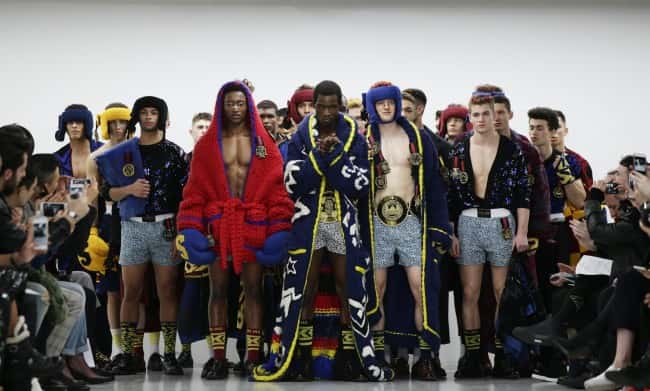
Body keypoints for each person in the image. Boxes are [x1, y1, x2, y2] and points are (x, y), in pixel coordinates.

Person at [253, 80, 393, 382]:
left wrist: (335, 158)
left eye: (333, 106)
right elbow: (291, 183)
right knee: (304, 288)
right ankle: (299, 358)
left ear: (340, 106)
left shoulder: (355, 134)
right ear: (314, 105)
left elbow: (361, 184)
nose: (328, 112)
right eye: (322, 106)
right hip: (308, 223)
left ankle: (348, 358)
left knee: (349, 289)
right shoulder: (300, 135)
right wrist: (319, 157)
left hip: (343, 223)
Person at [176, 80, 293, 379]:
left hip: (253, 223)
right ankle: (218, 358)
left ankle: (253, 356)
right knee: (217, 290)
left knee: (254, 289)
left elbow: (275, 188)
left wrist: (278, 227)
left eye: (241, 103)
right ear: (221, 106)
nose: (236, 109)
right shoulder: (206, 145)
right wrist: (191, 228)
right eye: (230, 103)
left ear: (248, 105)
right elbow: (195, 191)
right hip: (219, 225)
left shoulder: (263, 145)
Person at [360, 82, 451, 380]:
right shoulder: (364, 139)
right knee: (377, 290)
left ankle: (425, 358)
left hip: (412, 220)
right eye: (380, 102)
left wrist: (439, 228)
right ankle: (379, 359)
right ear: (372, 106)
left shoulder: (418, 137)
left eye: (390, 102)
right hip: (375, 224)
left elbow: (435, 185)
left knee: (421, 288)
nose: (386, 107)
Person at [101, 96, 188, 376]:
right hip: (132, 225)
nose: (149, 117)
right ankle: (127, 354)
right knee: (131, 292)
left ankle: (169, 355)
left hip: (166, 226)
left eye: (154, 112)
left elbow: (186, 196)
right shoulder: (123, 152)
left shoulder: (175, 153)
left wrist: (181, 232)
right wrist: (128, 190)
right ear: (137, 117)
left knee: (168, 292)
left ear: (162, 116)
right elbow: (107, 193)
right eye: (144, 112)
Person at [448, 89, 531, 378]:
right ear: (469, 117)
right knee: (469, 292)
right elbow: (450, 195)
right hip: (468, 221)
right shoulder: (459, 149)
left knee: (501, 292)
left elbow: (523, 193)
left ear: (495, 114)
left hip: (502, 222)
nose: (482, 119)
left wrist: (522, 233)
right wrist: (452, 232)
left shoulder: (512, 149)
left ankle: (503, 356)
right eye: (476, 114)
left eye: (487, 113)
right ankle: (472, 356)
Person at [176, 111, 213, 369]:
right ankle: (185, 350)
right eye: (199, 126)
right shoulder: (183, 161)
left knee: (217, 294)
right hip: (189, 232)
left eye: (208, 127)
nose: (203, 130)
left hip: (216, 234)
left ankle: (215, 354)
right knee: (188, 296)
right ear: (191, 131)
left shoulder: (222, 161)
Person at [54, 104, 103, 178]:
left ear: (87, 125)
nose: (74, 126)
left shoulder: (103, 152)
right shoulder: (58, 158)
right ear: (65, 127)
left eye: (79, 122)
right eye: (70, 122)